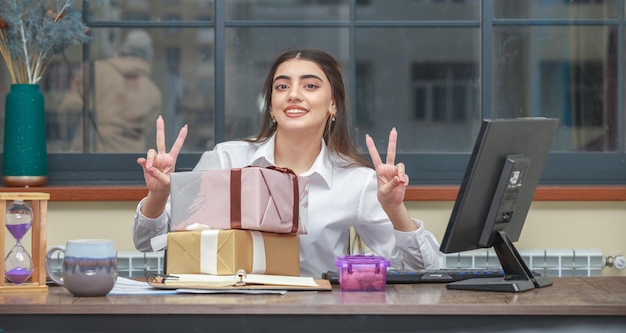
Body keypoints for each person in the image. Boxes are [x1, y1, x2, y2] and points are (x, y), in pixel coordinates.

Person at [132, 48, 441, 277]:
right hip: (225, 314)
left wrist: (395, 208)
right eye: (282, 87)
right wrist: (158, 195)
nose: (293, 94)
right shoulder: (225, 159)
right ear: (271, 106)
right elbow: (147, 243)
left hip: (316, 319)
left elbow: (427, 269)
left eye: (310, 86)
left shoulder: (357, 182)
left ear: (333, 105)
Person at [59, 30, 162, 152]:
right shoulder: (153, 92)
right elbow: (148, 128)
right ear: (149, 55)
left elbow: (68, 106)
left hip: (91, 154)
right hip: (130, 158)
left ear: (124, 48)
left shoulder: (94, 69)